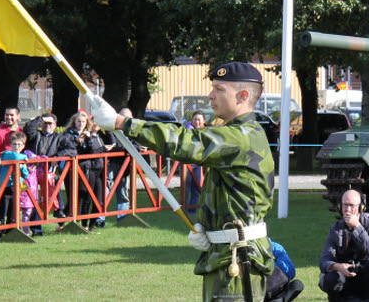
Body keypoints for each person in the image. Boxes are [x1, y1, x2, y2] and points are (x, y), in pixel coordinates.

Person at [89, 61, 276, 301]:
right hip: (226, 254)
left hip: (237, 261)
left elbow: (183, 142)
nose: (211, 95)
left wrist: (123, 123)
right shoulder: (239, 133)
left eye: (219, 89)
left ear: (243, 95)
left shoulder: (241, 137)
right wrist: (211, 230)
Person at [318, 189, 369, 302]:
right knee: (331, 277)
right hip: (344, 279)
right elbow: (324, 260)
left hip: (364, 277)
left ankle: (367, 299)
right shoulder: (335, 228)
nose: (348, 210)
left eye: (352, 206)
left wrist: (357, 227)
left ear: (361, 207)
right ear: (340, 206)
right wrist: (338, 266)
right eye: (345, 205)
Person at [24, 112, 75, 221]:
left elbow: (72, 150)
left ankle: (59, 211)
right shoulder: (35, 135)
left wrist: (57, 157)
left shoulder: (59, 137)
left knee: (54, 181)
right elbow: (28, 129)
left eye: (50, 123)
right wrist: (40, 119)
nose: (48, 125)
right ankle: (37, 228)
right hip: (32, 171)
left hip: (48, 171)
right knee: (33, 198)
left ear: (55, 125)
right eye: (45, 123)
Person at [64, 111, 106, 230]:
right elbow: (70, 148)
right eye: (78, 121)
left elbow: (97, 150)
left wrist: (91, 136)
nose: (81, 124)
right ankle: (80, 224)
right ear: (74, 122)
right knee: (81, 197)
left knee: (96, 199)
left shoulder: (93, 135)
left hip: (95, 168)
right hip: (79, 168)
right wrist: (78, 140)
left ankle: (90, 226)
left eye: (83, 122)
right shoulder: (69, 134)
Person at [0, 132, 36, 240]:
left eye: (19, 145)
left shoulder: (21, 159)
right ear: (10, 145)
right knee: (1, 212)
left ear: (23, 146)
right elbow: (15, 156)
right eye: (14, 144)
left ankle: (10, 233)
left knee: (13, 212)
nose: (16, 147)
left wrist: (22, 165)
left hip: (17, 186)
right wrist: (24, 158)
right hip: (5, 186)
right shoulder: (7, 154)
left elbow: (26, 174)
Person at [184, 110, 206, 215]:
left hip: (198, 164)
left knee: (196, 187)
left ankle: (192, 210)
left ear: (203, 121)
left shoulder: (205, 130)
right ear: (191, 121)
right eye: (195, 119)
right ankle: (184, 209)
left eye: (199, 120)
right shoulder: (189, 128)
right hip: (186, 163)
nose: (197, 122)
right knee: (186, 187)